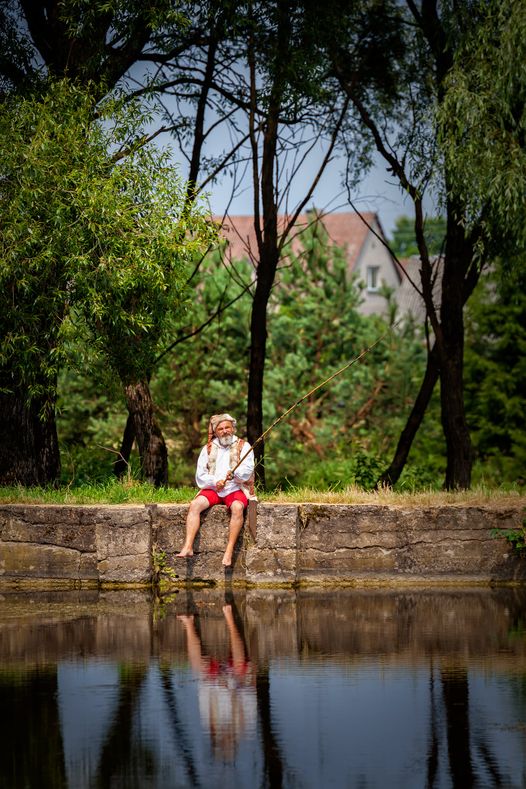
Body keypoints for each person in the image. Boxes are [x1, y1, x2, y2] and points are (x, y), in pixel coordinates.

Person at [176, 413, 255, 567]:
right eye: (220, 429)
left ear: (233, 428)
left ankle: (229, 551)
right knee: (195, 505)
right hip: (214, 490)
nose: (224, 431)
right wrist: (214, 482)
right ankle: (188, 547)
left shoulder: (243, 446)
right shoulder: (209, 448)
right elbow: (200, 476)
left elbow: (247, 471)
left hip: (235, 488)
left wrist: (234, 474)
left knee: (238, 507)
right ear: (216, 431)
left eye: (227, 427)